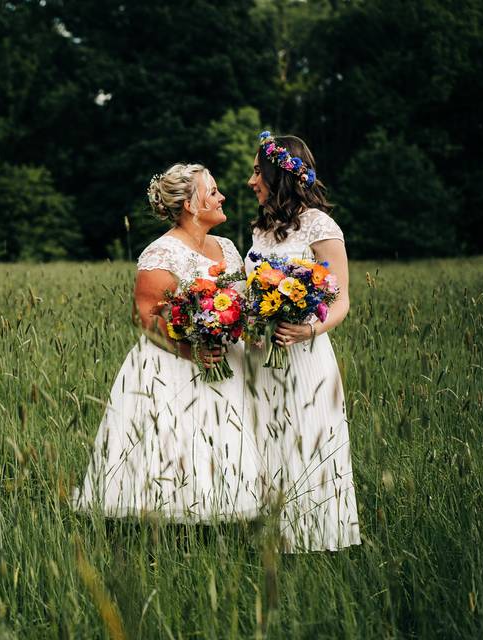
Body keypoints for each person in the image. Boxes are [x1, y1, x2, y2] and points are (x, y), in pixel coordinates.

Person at [74, 163, 261, 523]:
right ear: (191, 205)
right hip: (172, 365)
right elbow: (145, 317)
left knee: (225, 446)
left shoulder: (227, 247)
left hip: (227, 362)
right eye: (213, 192)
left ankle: (223, 523)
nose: (222, 197)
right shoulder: (161, 253)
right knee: (176, 449)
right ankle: (170, 531)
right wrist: (192, 349)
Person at [245, 131, 361, 552]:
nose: (251, 180)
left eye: (258, 171)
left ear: (279, 174)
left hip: (306, 352)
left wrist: (307, 329)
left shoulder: (320, 226)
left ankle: (314, 537)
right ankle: (268, 535)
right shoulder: (260, 229)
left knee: (307, 439)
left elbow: (341, 299)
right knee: (266, 439)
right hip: (261, 355)